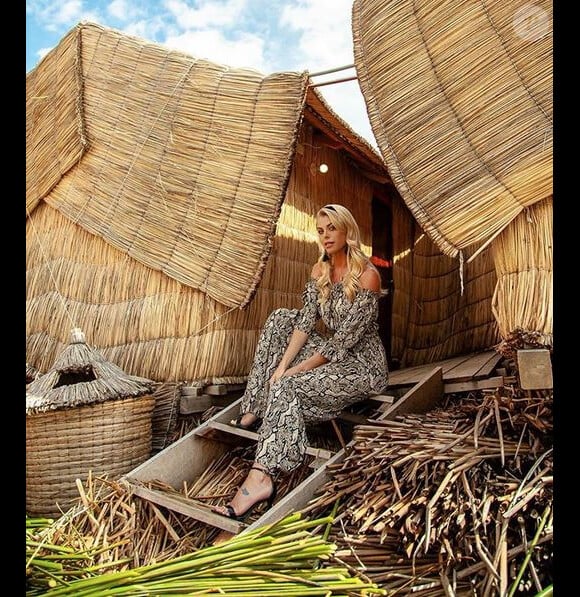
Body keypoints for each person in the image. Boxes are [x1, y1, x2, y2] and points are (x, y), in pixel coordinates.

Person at [212, 203, 389, 520]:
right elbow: (305, 324)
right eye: (321, 231)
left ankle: (260, 477)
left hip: (361, 365)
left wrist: (292, 372)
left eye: (332, 228)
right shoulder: (319, 271)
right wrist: (280, 366)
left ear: (347, 229)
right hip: (331, 358)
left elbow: (341, 342)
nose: (325, 236)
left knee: (289, 385)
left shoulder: (368, 277)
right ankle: (255, 407)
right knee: (282, 318)